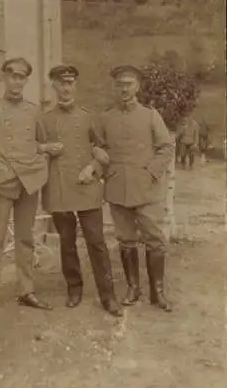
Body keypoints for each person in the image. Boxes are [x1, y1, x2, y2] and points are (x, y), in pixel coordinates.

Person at [0, 57, 52, 318]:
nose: (17, 81)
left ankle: (26, 290)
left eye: (22, 77)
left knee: (26, 239)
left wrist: (39, 166)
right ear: (5, 77)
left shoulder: (34, 111)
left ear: (26, 80)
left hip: (28, 183)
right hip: (0, 183)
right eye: (13, 75)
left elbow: (43, 143)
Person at [37, 64, 122, 318]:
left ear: (75, 85)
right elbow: (34, 146)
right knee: (67, 242)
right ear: (53, 85)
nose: (66, 87)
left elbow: (104, 149)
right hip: (59, 189)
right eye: (61, 83)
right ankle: (74, 288)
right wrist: (45, 148)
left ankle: (108, 295)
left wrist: (93, 168)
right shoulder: (44, 119)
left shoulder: (88, 116)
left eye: (70, 82)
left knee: (97, 242)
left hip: (86, 188)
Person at [97, 64, 174, 312]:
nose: (124, 89)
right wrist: (98, 155)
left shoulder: (150, 115)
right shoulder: (106, 117)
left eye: (129, 84)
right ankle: (133, 288)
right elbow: (98, 146)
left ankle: (157, 292)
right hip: (118, 188)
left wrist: (152, 172)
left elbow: (166, 147)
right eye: (120, 84)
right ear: (115, 87)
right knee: (126, 240)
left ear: (138, 87)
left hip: (148, 190)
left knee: (155, 240)